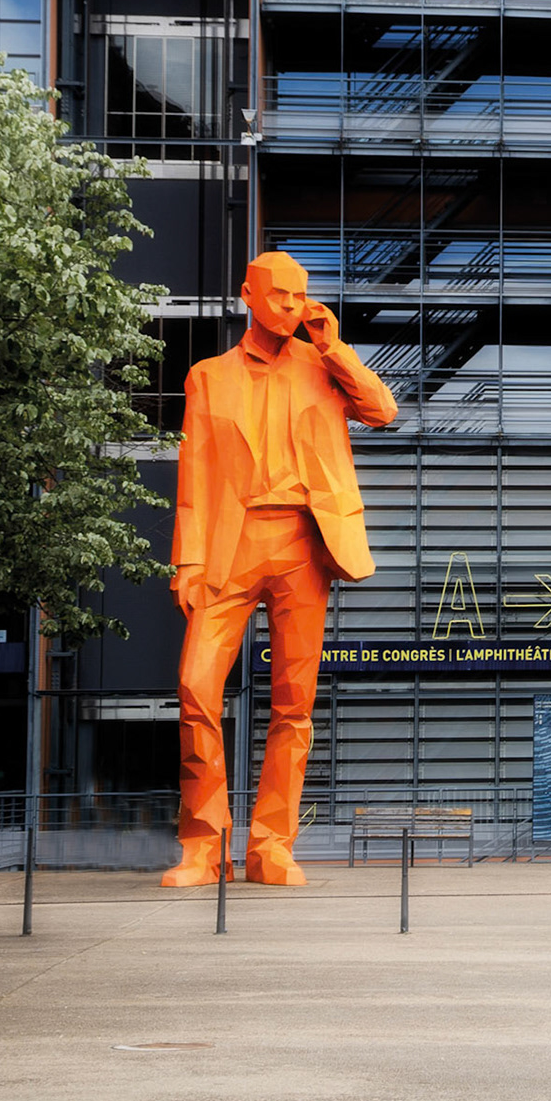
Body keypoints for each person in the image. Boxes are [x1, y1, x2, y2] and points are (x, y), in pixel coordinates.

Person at [162, 252, 399, 887]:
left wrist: (335, 347)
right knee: (195, 687)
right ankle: (203, 846)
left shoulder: (324, 367)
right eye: (279, 295)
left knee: (295, 705)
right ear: (248, 295)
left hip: (302, 544)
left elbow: (383, 410)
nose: (292, 306)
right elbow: (194, 472)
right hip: (229, 544)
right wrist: (188, 559)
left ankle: (272, 847)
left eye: (300, 295)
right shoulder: (208, 376)